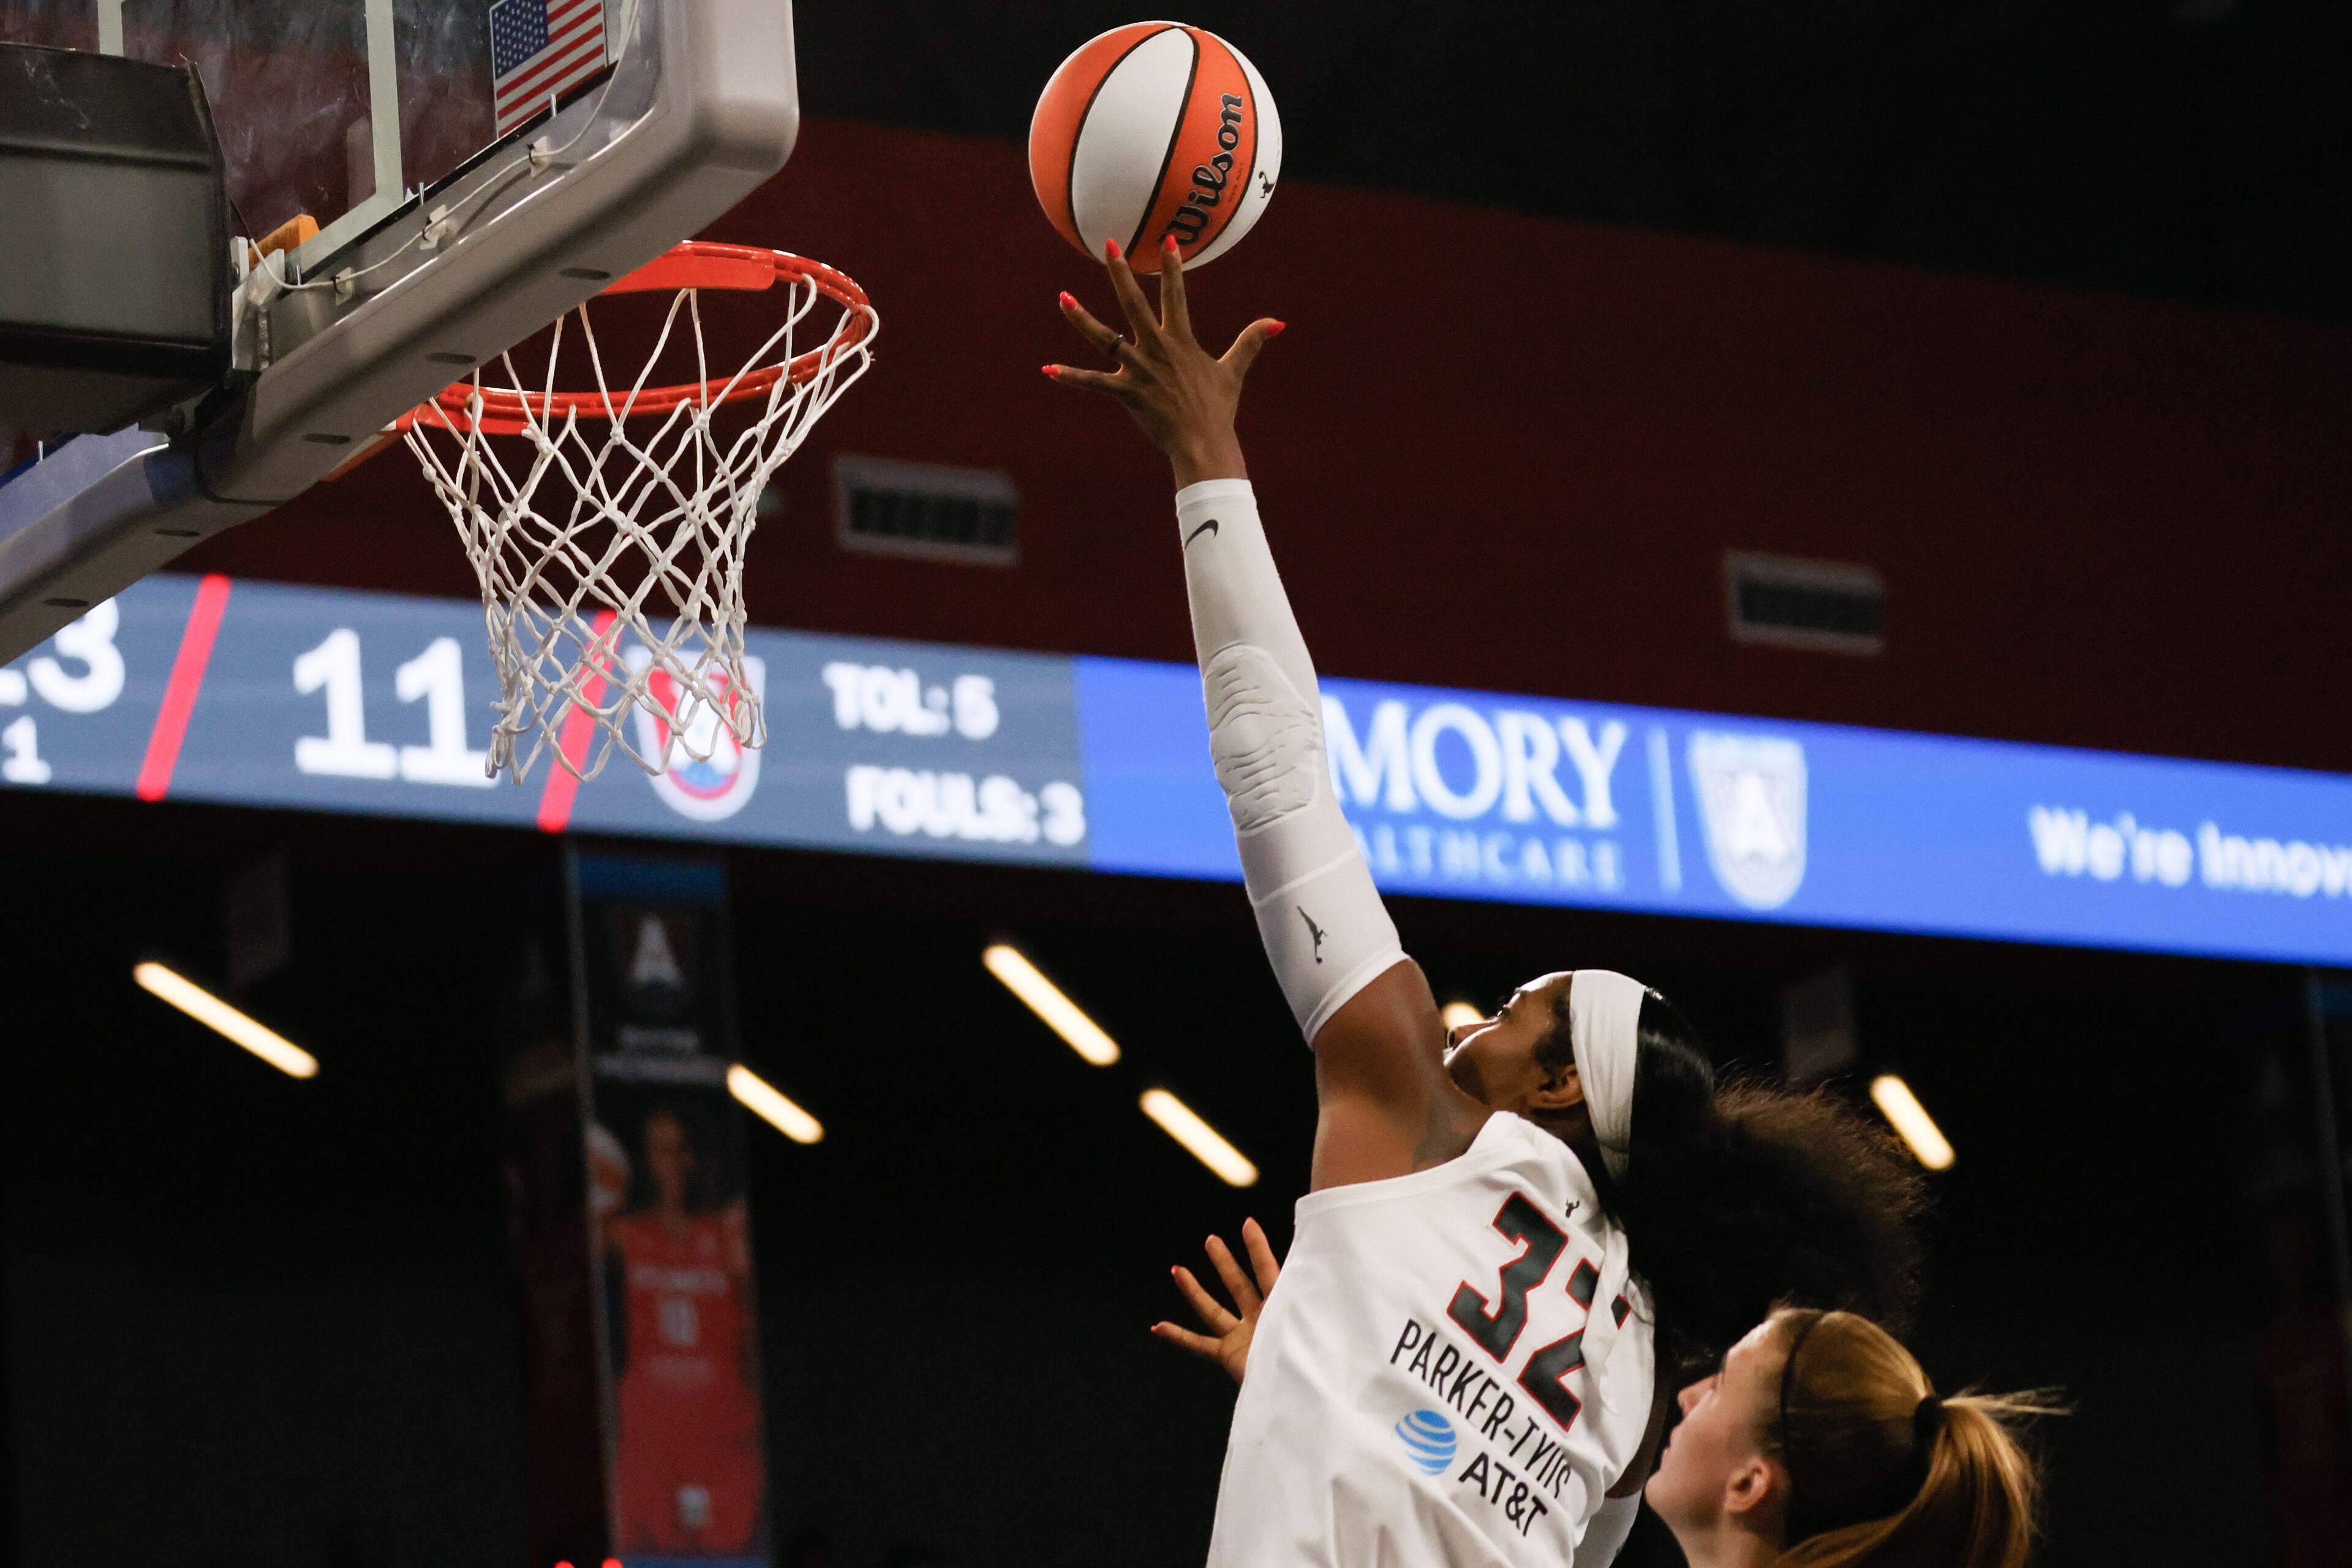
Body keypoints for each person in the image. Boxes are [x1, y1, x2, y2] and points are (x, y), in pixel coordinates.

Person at [1050, 239, 1927, 1567]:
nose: (1468, 1023)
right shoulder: (1636, 1392)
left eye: (1517, 1015)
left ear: (1565, 1087)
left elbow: (1275, 761)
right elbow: (1463, 1492)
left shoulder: (1414, 1106)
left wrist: (1204, 459)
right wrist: (1321, 1375)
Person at [1163, 1251, 2057, 1568]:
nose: (1690, 1392)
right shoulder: (1598, 1519)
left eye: (1719, 1385)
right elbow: (1447, 1508)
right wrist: (1308, 1382)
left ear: (1750, 1481)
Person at [603, 1106, 765, 1555]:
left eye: (684, 1150)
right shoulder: (625, 1234)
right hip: (650, 1446)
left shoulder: (729, 1233)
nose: (677, 1163)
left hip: (723, 1446)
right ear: (648, 1160)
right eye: (664, 1151)